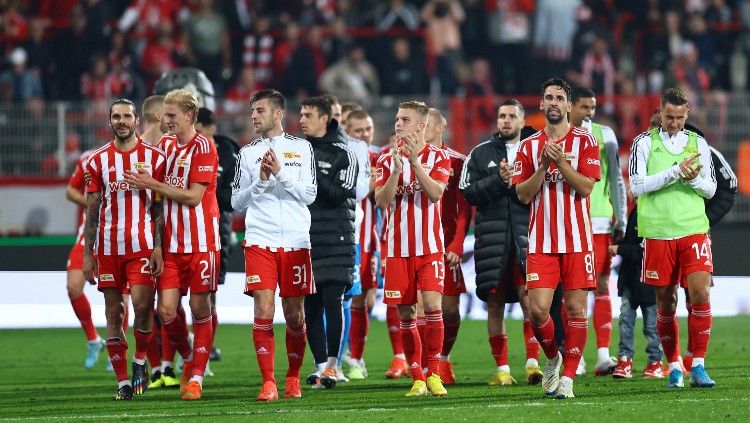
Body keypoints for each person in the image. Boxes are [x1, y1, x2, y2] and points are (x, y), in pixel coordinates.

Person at [124, 89, 220, 401]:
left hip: (202, 243)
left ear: (189, 117)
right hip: (172, 246)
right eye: (165, 115)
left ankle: (196, 377)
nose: (166, 121)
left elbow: (194, 197)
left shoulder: (204, 147)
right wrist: (156, 245)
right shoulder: (165, 145)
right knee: (165, 311)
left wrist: (152, 183)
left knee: (198, 307)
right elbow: (158, 200)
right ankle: (192, 353)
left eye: (172, 115)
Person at [511, 78, 601, 399]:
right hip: (542, 241)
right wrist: (544, 166)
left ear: (567, 105)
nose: (553, 102)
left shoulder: (586, 141)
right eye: (547, 96)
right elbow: (522, 194)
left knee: (577, 310)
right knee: (537, 311)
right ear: (541, 104)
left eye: (559, 97)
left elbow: (587, 188)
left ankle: (568, 379)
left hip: (577, 241)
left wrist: (561, 163)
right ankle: (552, 358)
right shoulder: (527, 146)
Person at [231, 89, 317, 401]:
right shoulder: (247, 153)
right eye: (252, 110)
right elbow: (235, 201)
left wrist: (280, 174)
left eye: (260, 110)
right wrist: (262, 181)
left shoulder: (302, 149)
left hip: (296, 240)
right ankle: (268, 382)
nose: (254, 116)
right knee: (263, 308)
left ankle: (292, 377)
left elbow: (309, 195)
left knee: (294, 315)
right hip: (259, 240)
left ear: (278, 114)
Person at [629, 90, 717, 389]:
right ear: (659, 112)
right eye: (669, 117)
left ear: (687, 114)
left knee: (701, 294)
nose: (675, 123)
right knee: (665, 302)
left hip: (692, 228)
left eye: (680, 118)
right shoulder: (644, 142)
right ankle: (675, 365)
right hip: (658, 232)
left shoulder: (698, 143)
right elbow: (637, 186)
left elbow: (711, 190)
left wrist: (693, 179)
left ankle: (699, 366)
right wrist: (675, 172)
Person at [83, 98, 166, 400]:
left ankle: (140, 361)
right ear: (110, 121)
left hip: (141, 247)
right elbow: (92, 209)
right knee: (114, 313)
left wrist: (158, 247)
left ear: (136, 121)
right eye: (116, 116)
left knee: (144, 307)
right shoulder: (97, 161)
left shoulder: (154, 158)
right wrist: (87, 252)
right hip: (108, 249)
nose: (122, 121)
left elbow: (159, 208)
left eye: (127, 116)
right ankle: (123, 382)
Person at [459, 99, 543, 386]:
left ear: (522, 121)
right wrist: (498, 179)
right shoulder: (480, 154)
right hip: (492, 240)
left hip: (527, 237)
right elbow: (467, 193)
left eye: (511, 116)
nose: (505, 121)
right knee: (494, 304)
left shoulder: (535, 148)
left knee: (530, 301)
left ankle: (533, 364)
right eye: (501, 116)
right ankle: (503, 369)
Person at [374, 101, 451, 397]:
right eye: (396, 118)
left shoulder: (438, 156)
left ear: (421, 126)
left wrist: (415, 163)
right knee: (406, 315)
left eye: (404, 119)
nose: (398, 124)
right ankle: (417, 377)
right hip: (397, 250)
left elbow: (435, 194)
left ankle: (434, 373)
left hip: (429, 249)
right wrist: (395, 171)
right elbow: (381, 202)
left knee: (432, 307)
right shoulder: (385, 160)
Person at [299, 96, 359, 389]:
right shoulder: (296, 151)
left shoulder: (344, 153)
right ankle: (320, 366)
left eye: (308, 115)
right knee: (310, 305)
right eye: (301, 114)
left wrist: (311, 170)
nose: (301, 120)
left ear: (324, 119)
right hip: (305, 238)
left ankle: (335, 365)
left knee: (333, 301)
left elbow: (338, 194)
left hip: (337, 238)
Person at [568, 86, 627, 376]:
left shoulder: (606, 136)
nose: (590, 113)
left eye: (592, 107)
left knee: (602, 285)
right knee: (572, 291)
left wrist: (622, 220)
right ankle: (574, 356)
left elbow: (616, 179)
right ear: (570, 107)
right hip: (568, 222)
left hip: (601, 222)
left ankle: (603, 354)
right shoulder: (558, 136)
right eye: (584, 107)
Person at [319, 94, 371, 382]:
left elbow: (360, 190)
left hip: (349, 231)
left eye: (339, 113)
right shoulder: (310, 148)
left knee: (346, 299)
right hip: (316, 232)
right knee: (322, 299)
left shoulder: (356, 149)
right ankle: (324, 361)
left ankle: (337, 361)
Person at [422, 108, 471, 385]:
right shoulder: (411, 159)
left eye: (427, 124)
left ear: (440, 127)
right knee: (420, 309)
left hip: (445, 246)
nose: (422, 129)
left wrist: (456, 242)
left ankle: (443, 359)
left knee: (450, 309)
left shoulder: (458, 162)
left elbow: (464, 208)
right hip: (418, 244)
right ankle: (423, 368)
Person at [195, 107, 240, 366]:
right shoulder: (184, 149)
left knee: (209, 294)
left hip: (215, 227)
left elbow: (229, 198)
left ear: (208, 127)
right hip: (185, 228)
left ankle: (205, 352)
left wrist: (204, 190)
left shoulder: (227, 153)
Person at [344, 109, 384, 379]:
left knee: (368, 300)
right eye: (359, 130)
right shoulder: (342, 156)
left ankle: (354, 352)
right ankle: (351, 358)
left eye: (368, 129)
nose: (365, 134)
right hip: (347, 238)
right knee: (352, 298)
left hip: (370, 239)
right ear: (347, 130)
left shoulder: (379, 156)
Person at [66, 147, 109, 370]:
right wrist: (91, 203)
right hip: (88, 234)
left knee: (120, 295)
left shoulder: (138, 157)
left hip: (116, 235)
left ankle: (115, 347)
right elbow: (71, 191)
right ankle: (93, 340)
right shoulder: (89, 158)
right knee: (74, 286)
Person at [609, 203, 664, 379]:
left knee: (651, 326)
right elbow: (634, 243)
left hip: (649, 280)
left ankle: (655, 362)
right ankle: (625, 360)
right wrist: (619, 241)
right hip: (630, 279)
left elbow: (647, 248)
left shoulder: (654, 213)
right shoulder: (636, 210)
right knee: (625, 322)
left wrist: (620, 249)